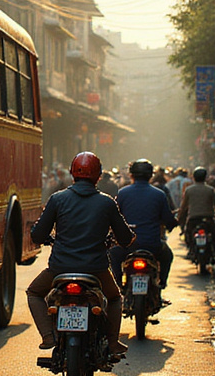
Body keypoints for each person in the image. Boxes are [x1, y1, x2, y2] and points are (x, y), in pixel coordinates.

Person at [27, 150, 134, 358]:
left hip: (60, 268)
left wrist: (48, 239)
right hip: (96, 270)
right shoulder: (106, 202)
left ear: (72, 173)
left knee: (34, 293)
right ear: (98, 176)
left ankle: (48, 336)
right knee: (114, 298)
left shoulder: (57, 199)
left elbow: (38, 234)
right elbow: (124, 237)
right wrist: (126, 239)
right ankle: (112, 343)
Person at [113, 158, 177, 290]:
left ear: (131, 175)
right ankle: (161, 283)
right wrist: (172, 224)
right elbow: (167, 218)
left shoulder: (122, 193)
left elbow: (114, 218)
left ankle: (118, 285)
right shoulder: (159, 194)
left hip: (127, 245)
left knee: (113, 255)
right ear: (150, 176)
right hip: (152, 245)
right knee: (167, 256)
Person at [177, 166, 215, 256]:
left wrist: (179, 217)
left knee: (187, 233)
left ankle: (191, 250)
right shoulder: (210, 190)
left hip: (193, 218)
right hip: (207, 218)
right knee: (214, 233)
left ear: (194, 177)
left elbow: (183, 206)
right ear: (205, 177)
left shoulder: (189, 190)